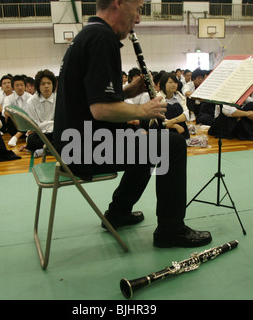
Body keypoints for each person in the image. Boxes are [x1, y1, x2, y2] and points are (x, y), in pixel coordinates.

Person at [53, 0, 212, 248]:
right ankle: (171, 230)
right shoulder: (101, 38)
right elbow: (101, 109)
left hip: (73, 143)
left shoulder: (90, 34)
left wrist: (127, 91)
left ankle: (118, 213)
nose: (138, 19)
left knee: (147, 143)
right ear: (118, 4)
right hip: (84, 148)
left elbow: (91, 98)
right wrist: (143, 109)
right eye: (137, 9)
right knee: (172, 145)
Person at [24, 69, 57, 158]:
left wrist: (44, 124)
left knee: (67, 136)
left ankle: (44, 150)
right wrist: (50, 124)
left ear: (53, 84)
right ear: (38, 86)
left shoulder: (59, 99)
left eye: (49, 83)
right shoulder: (31, 101)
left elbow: (61, 121)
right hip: (39, 134)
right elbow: (33, 125)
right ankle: (53, 148)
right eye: (43, 84)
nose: (46, 86)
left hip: (55, 132)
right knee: (31, 140)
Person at [3, 75, 32, 146]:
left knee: (29, 118)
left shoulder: (30, 98)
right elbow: (5, 111)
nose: (20, 87)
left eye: (22, 85)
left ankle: (16, 137)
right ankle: (19, 135)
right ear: (13, 87)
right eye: (17, 85)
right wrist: (18, 116)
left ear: (25, 86)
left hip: (28, 124)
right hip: (15, 125)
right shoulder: (9, 98)